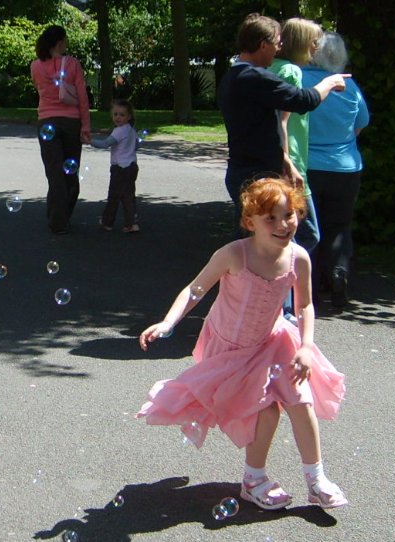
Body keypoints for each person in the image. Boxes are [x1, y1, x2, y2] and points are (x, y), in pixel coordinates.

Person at [137, 178, 348, 511]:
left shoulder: (299, 258)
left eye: (289, 215)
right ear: (251, 223)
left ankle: (316, 479)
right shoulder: (234, 254)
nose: (283, 225)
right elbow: (195, 289)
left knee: (301, 400)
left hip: (274, 340)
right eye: (271, 218)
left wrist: (306, 346)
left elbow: (305, 305)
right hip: (232, 349)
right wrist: (168, 321)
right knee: (266, 410)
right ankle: (254, 480)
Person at [217, 13, 348, 232]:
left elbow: (262, 130)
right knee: (271, 244)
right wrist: (330, 82)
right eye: (277, 44)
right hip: (257, 175)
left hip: (246, 170)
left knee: (259, 244)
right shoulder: (254, 78)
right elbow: (303, 100)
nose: (279, 49)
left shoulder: (232, 77)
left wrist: (286, 163)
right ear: (262, 45)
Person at [302, 32, 369, 308]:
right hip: (346, 167)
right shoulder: (349, 86)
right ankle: (339, 276)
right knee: (339, 226)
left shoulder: (301, 80)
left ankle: (311, 289)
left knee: (309, 228)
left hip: (309, 166)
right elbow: (361, 123)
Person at [269, 18, 323, 254]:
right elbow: (282, 121)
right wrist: (288, 162)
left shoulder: (270, 67)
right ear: (301, 43)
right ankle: (284, 284)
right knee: (308, 234)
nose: (316, 48)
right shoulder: (291, 72)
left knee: (275, 230)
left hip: (274, 156)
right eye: (313, 42)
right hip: (291, 161)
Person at [31, 25, 91, 234]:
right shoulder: (73, 64)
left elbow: (40, 90)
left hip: (46, 120)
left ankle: (57, 219)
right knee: (69, 172)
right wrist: (86, 125)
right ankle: (62, 216)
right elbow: (82, 98)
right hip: (70, 122)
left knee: (54, 173)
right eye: (65, 40)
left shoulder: (35, 66)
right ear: (59, 43)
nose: (67, 43)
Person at [91, 99, 140, 233]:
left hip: (120, 168)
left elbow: (106, 143)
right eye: (115, 114)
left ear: (129, 116)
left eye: (122, 115)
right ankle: (132, 223)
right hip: (132, 166)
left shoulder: (119, 131)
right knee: (128, 195)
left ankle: (107, 222)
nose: (118, 117)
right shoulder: (131, 129)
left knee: (114, 195)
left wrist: (89, 140)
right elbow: (137, 145)